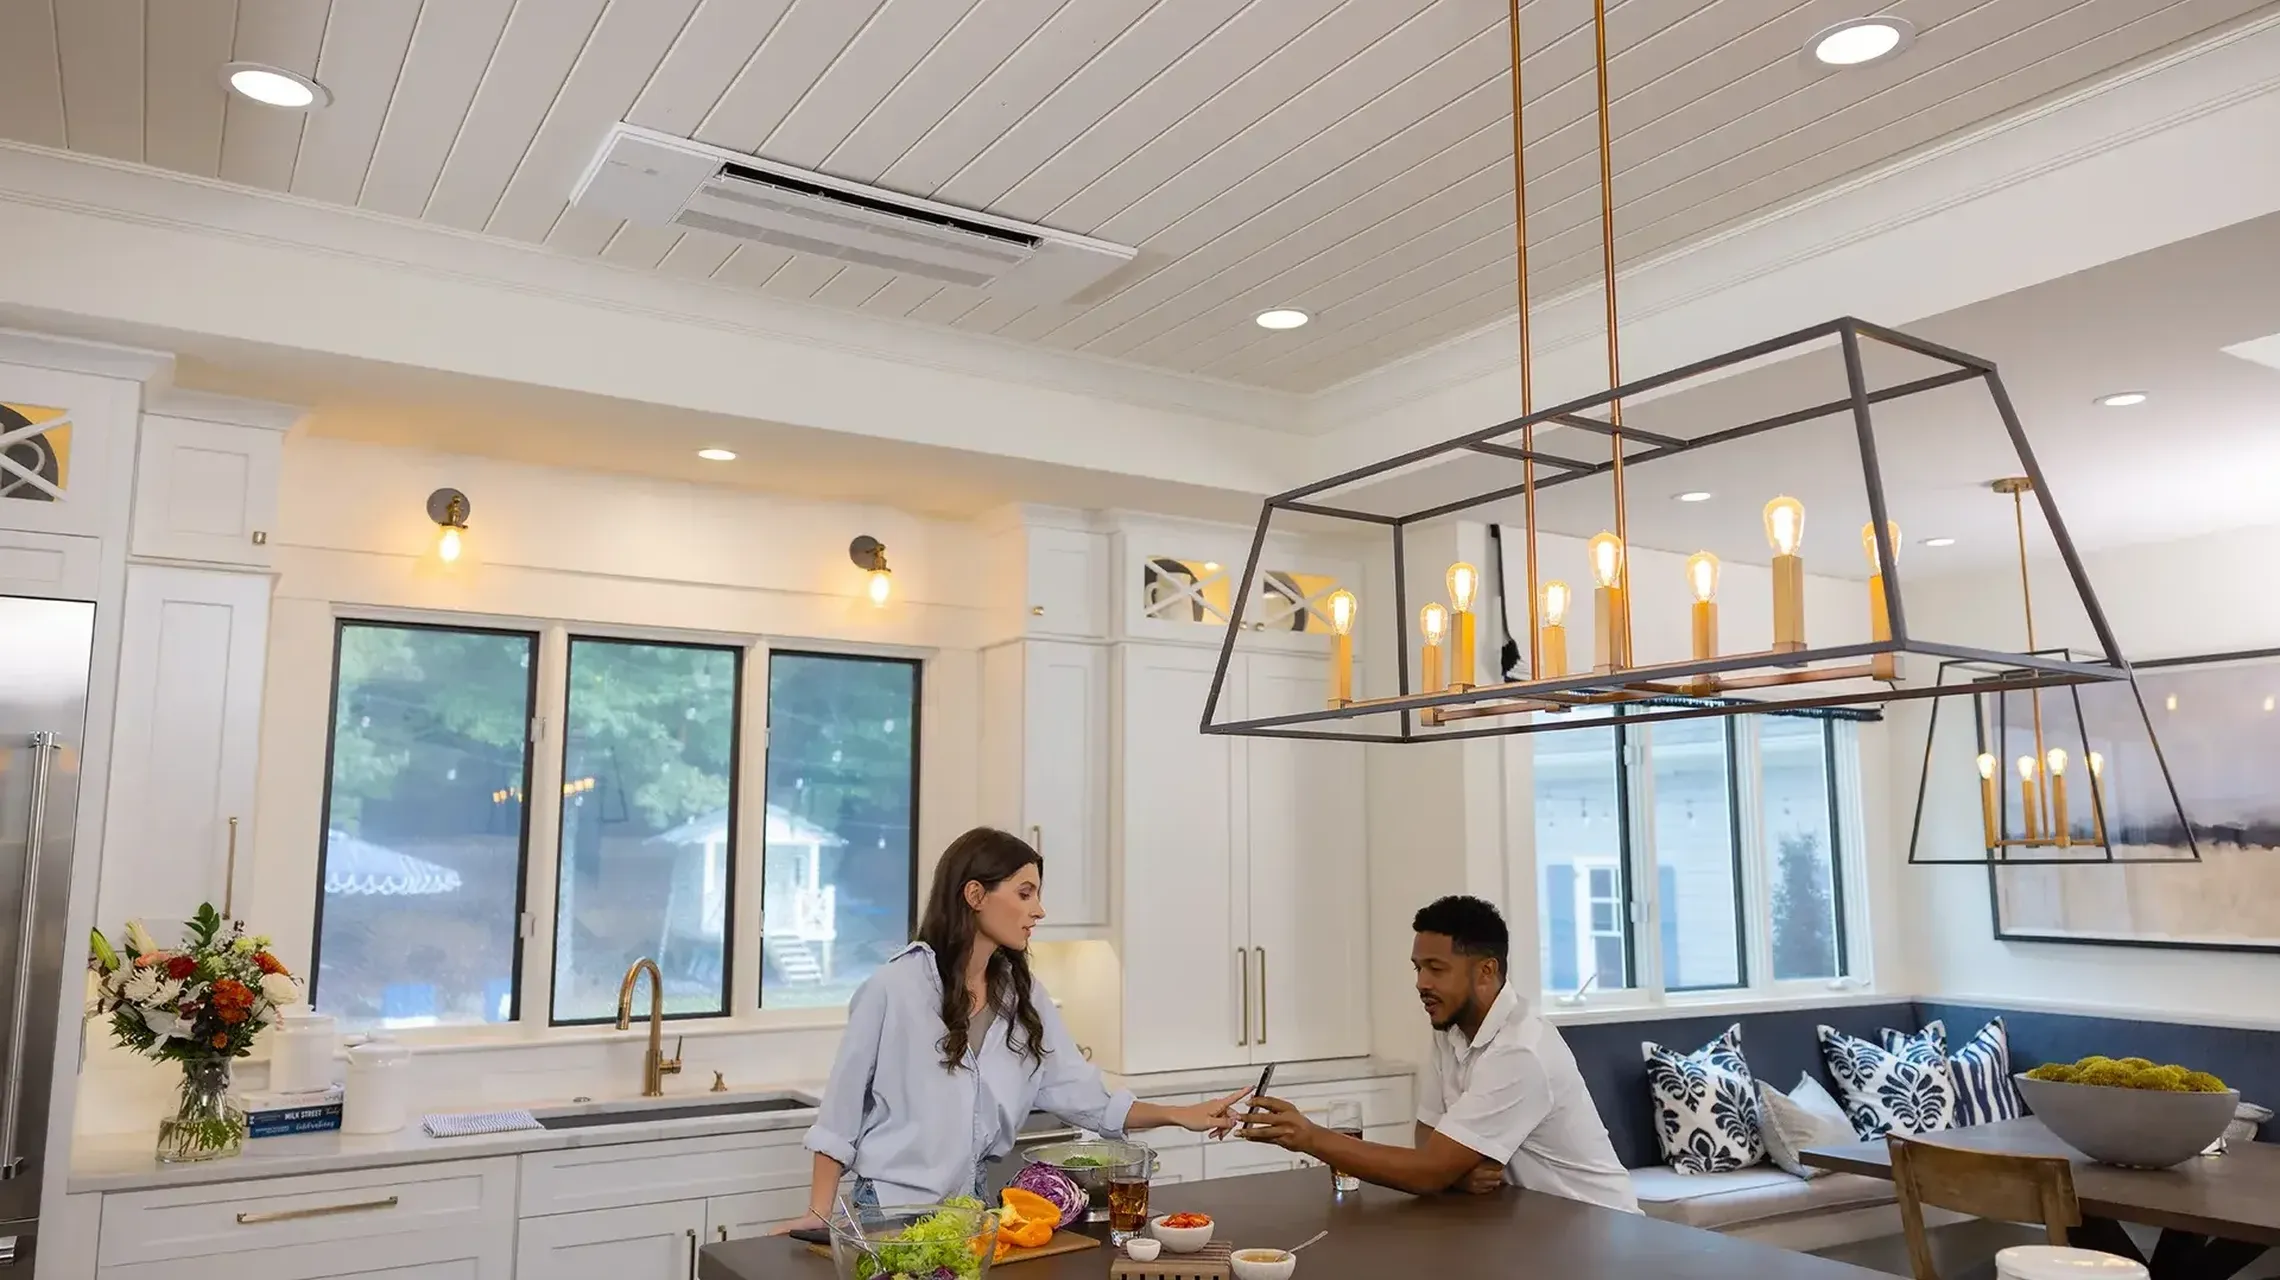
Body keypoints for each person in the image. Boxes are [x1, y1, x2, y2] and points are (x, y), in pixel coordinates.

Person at [788, 827, 1245, 1225]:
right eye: (1025, 893)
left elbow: (1086, 1098)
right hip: (888, 1213)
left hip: (974, 1213)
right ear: (975, 895)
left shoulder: (1023, 998)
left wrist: (1182, 1115)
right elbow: (840, 1114)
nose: (1039, 910)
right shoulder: (893, 987)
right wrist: (819, 1213)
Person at [1238, 895, 1638, 1213]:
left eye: (1436, 968)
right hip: (1529, 1222)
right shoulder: (1451, 1030)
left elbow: (1427, 1172)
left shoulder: (1520, 1052)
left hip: (1600, 1233)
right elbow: (1428, 1139)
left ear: (1486, 971)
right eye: (1417, 968)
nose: (1421, 983)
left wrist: (1310, 1137)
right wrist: (1455, 1172)